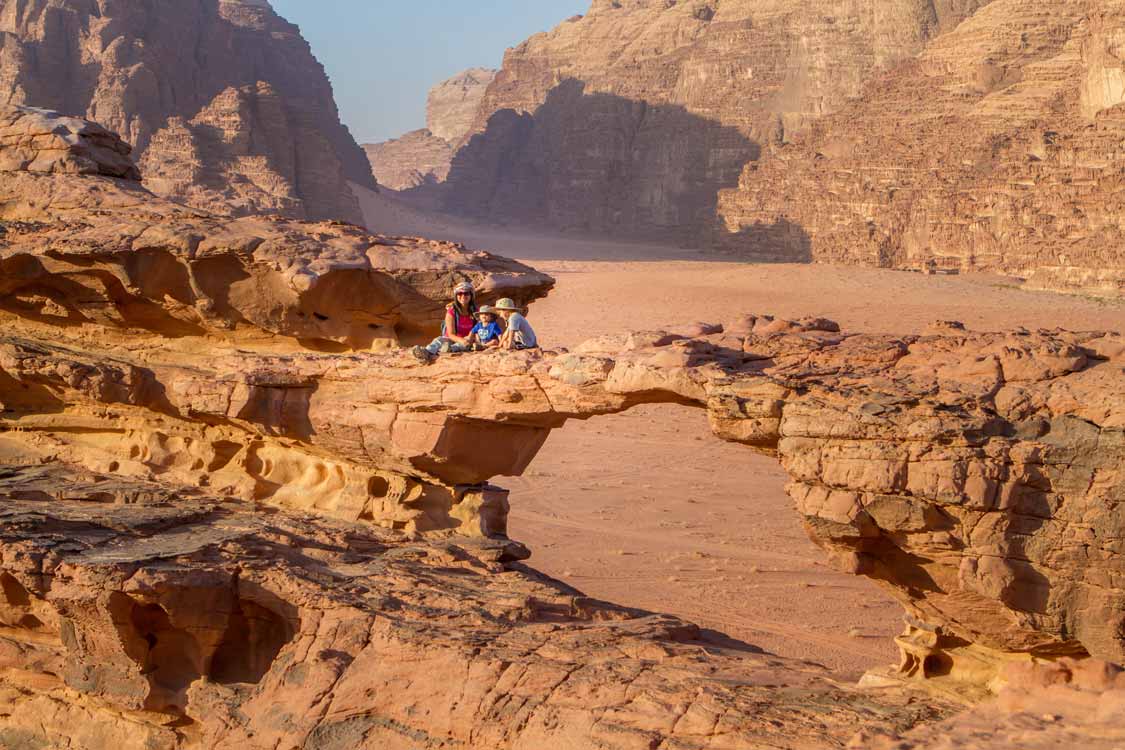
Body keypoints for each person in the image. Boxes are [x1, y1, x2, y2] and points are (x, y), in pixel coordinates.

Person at [412, 281, 478, 360]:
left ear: (471, 295)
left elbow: (479, 329)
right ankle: (426, 352)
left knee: (464, 344)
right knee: (439, 340)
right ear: (456, 296)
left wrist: (470, 340)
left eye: (466, 293)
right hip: (452, 339)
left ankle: (449, 349)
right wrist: (461, 340)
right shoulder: (452, 311)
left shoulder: (476, 312)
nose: (463, 296)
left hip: (467, 339)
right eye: (460, 293)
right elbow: (450, 334)